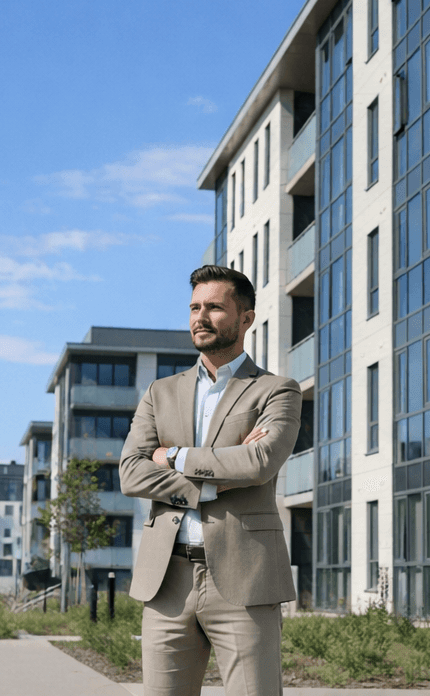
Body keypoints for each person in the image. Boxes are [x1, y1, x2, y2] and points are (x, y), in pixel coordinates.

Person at [119, 264, 302, 696]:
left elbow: (259, 462)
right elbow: (130, 472)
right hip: (166, 580)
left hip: (245, 578)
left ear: (245, 318)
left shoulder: (275, 390)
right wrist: (214, 479)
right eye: (194, 307)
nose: (200, 317)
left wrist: (174, 456)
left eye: (215, 308)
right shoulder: (160, 393)